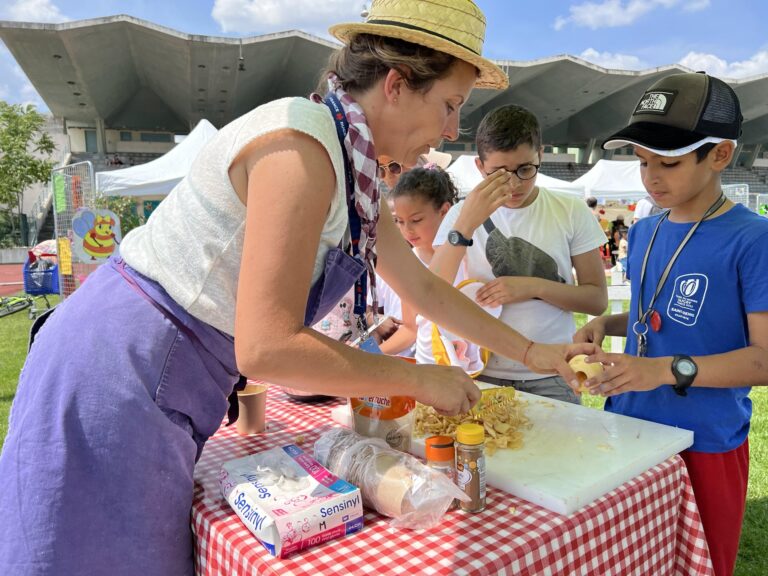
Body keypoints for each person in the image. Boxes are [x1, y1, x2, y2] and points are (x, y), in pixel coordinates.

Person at [0, 2, 599, 574]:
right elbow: (267, 347)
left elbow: (424, 288)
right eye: (449, 105)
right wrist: (419, 380)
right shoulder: (302, 146)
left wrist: (533, 353)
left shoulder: (350, 168)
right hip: (118, 371)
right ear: (396, 84)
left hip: (164, 374)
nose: (450, 131)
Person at [574, 72, 768, 576]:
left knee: (701, 563)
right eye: (643, 161)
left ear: (720, 155)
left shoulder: (753, 240)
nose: (651, 178)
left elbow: (764, 360)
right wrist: (606, 324)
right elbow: (651, 317)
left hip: (704, 441)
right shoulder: (643, 231)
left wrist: (662, 371)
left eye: (669, 162)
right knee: (631, 560)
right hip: (628, 425)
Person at [429, 104, 608, 403]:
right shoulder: (462, 214)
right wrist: (466, 224)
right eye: (499, 174)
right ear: (479, 166)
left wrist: (533, 287)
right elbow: (432, 289)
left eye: (526, 169)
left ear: (541, 155)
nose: (514, 184)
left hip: (553, 372)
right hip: (482, 372)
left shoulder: (570, 210)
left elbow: (597, 300)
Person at [378, 166, 459, 356]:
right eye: (399, 221)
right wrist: (365, 355)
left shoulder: (466, 257)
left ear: (444, 211)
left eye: (416, 220)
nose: (407, 230)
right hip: (426, 363)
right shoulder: (407, 264)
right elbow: (410, 329)